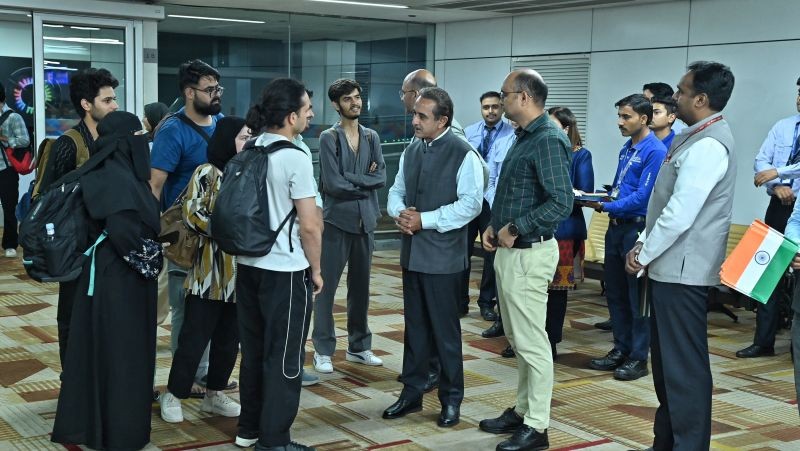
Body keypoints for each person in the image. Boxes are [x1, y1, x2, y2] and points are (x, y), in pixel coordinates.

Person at [627, 61, 736, 450]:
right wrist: (644, 243)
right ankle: (667, 443)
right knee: (668, 368)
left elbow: (680, 212)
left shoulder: (709, 144)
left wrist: (644, 251)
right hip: (670, 268)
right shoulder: (694, 137)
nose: (675, 97)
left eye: (682, 91)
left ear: (701, 99)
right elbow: (665, 205)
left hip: (684, 273)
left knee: (683, 370)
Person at [51, 111, 163, 450]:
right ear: (124, 142)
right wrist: (154, 261)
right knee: (121, 355)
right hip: (119, 282)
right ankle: (118, 433)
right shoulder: (116, 178)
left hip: (108, 278)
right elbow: (124, 232)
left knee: (107, 353)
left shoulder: (110, 171)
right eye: (138, 137)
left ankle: (101, 428)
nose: (143, 143)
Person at [479, 69, 573, 451]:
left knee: (532, 342)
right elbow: (516, 191)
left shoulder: (548, 138)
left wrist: (516, 227)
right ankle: (522, 410)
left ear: (523, 96)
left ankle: (537, 426)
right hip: (510, 251)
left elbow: (562, 202)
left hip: (529, 253)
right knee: (519, 339)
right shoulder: (523, 135)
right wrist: (495, 225)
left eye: (504, 94)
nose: (500, 100)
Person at [383, 87, 483, 428]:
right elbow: (396, 190)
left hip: (443, 261)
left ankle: (451, 400)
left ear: (442, 121)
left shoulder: (463, 153)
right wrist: (399, 212)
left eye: (422, 116)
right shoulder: (412, 149)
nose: (414, 121)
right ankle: (411, 393)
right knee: (415, 330)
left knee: (445, 335)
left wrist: (424, 219)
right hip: (412, 255)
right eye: (414, 114)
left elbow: (471, 205)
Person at [234, 78, 322, 451]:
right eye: (306, 109)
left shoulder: (250, 147)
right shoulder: (294, 157)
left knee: (254, 352)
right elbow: (310, 225)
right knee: (285, 356)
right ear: (290, 116)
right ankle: (274, 441)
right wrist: (316, 270)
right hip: (284, 271)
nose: (311, 115)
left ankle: (249, 429)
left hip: (247, 265)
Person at [159, 117, 247, 424]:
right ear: (226, 141)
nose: (247, 143)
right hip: (208, 274)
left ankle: (214, 394)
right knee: (194, 338)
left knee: (228, 340)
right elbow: (193, 214)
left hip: (239, 275)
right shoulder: (207, 172)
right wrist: (230, 230)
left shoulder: (246, 173)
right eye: (242, 137)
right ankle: (174, 393)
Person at [150, 59, 223, 395]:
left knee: (212, 307)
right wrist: (152, 234)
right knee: (185, 309)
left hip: (217, 235)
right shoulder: (172, 130)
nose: (216, 94)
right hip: (184, 237)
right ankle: (185, 377)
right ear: (190, 92)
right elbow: (155, 185)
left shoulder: (220, 124)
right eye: (209, 90)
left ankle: (203, 373)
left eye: (218, 88)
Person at [583, 94, 666, 382]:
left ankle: (638, 357)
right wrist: (601, 197)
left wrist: (605, 206)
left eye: (626, 116)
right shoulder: (626, 148)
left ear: (644, 119)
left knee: (636, 298)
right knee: (616, 293)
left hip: (635, 229)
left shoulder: (654, 150)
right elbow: (621, 188)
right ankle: (620, 348)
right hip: (616, 228)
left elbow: (644, 197)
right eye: (619, 116)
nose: (620, 122)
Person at [41, 68, 119, 370]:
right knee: (74, 316)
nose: (115, 105)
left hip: (112, 245)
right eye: (107, 100)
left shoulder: (117, 140)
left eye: (114, 99)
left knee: (110, 317)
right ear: (87, 104)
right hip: (77, 248)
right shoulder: (69, 143)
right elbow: (50, 200)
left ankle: (109, 381)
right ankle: (72, 379)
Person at [312, 78, 386, 374]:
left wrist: (351, 179)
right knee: (325, 288)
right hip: (336, 222)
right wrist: (364, 182)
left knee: (361, 289)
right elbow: (332, 184)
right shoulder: (329, 138)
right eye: (347, 99)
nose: (355, 103)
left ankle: (358, 346)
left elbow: (381, 177)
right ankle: (323, 350)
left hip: (366, 221)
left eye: (357, 97)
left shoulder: (371, 137)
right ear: (336, 104)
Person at [741, 76, 800, 358]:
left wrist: (779, 173)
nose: (799, 98)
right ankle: (763, 341)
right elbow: (761, 161)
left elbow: (773, 169)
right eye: (799, 92)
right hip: (778, 206)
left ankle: (796, 345)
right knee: (768, 273)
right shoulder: (783, 126)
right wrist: (776, 186)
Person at [547, 106, 594, 359]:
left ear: (566, 129)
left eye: (552, 125)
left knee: (556, 290)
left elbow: (586, 192)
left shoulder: (580, 155)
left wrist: (560, 193)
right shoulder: (544, 149)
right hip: (540, 227)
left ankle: (551, 341)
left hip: (565, 229)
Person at [465, 91, 515, 322]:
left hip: (492, 201)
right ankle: (459, 301)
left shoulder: (511, 134)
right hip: (469, 199)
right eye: (486, 107)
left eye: (495, 107)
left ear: (502, 108)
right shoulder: (468, 133)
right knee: (462, 251)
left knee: (490, 253)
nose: (491, 111)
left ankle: (487, 303)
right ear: (481, 109)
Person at [0, 82, 30, 257]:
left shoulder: (13, 117)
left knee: (9, 207)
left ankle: (10, 244)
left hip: (7, 169)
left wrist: (4, 138)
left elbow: (24, 140)